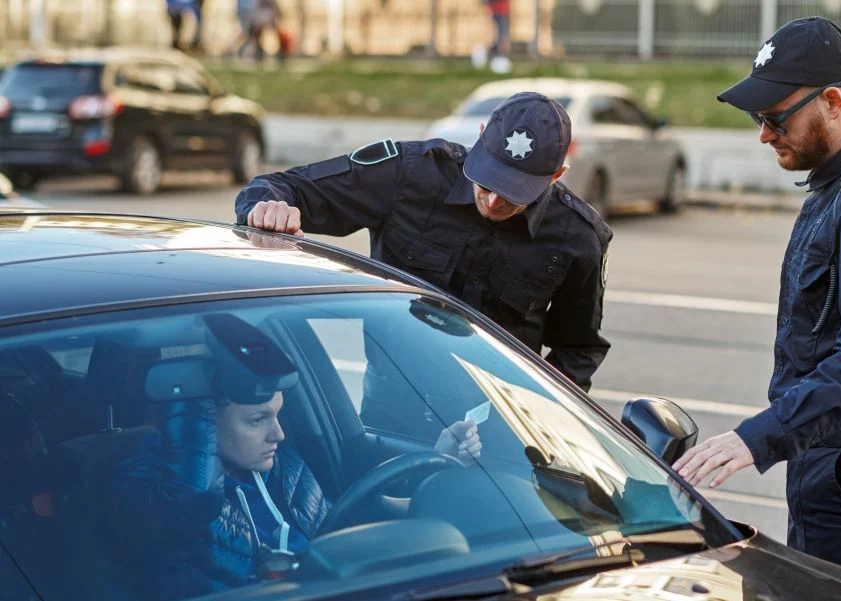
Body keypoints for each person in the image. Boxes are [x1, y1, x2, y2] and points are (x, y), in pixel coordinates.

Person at [672, 16, 841, 592]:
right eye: (757, 118)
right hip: (838, 464)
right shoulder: (837, 185)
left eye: (775, 117)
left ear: (830, 101)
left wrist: (759, 437)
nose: (764, 134)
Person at [235, 92, 612, 393]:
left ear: (557, 175)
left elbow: (579, 348)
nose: (495, 201)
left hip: (503, 421)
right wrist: (268, 208)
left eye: (515, 193)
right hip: (396, 400)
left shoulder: (577, 237)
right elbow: (284, 186)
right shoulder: (410, 174)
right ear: (480, 136)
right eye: (488, 180)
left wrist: (545, 399)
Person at [114, 349, 480, 600]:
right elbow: (189, 500)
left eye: (278, 414)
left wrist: (438, 463)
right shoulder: (156, 490)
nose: (279, 434)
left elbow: (348, 521)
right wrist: (191, 401)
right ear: (207, 422)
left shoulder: (283, 466)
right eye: (258, 420)